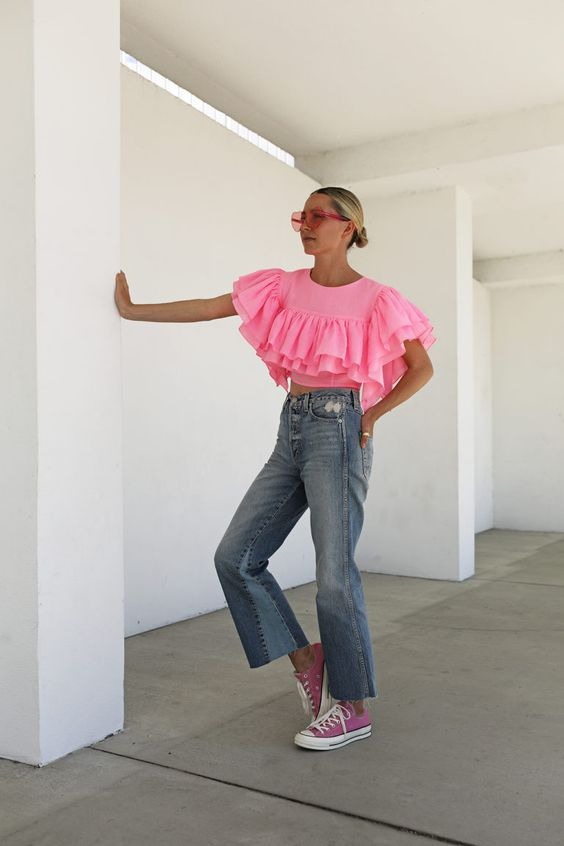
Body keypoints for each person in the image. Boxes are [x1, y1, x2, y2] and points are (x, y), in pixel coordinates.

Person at [114, 186, 436, 752]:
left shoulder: (377, 298)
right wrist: (133, 311)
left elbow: (420, 367)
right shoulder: (282, 286)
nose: (305, 225)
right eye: (301, 216)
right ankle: (307, 659)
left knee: (335, 574)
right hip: (292, 426)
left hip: (340, 427)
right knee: (235, 558)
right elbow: (212, 307)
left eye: (318, 216)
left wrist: (371, 418)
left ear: (348, 226)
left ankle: (352, 706)